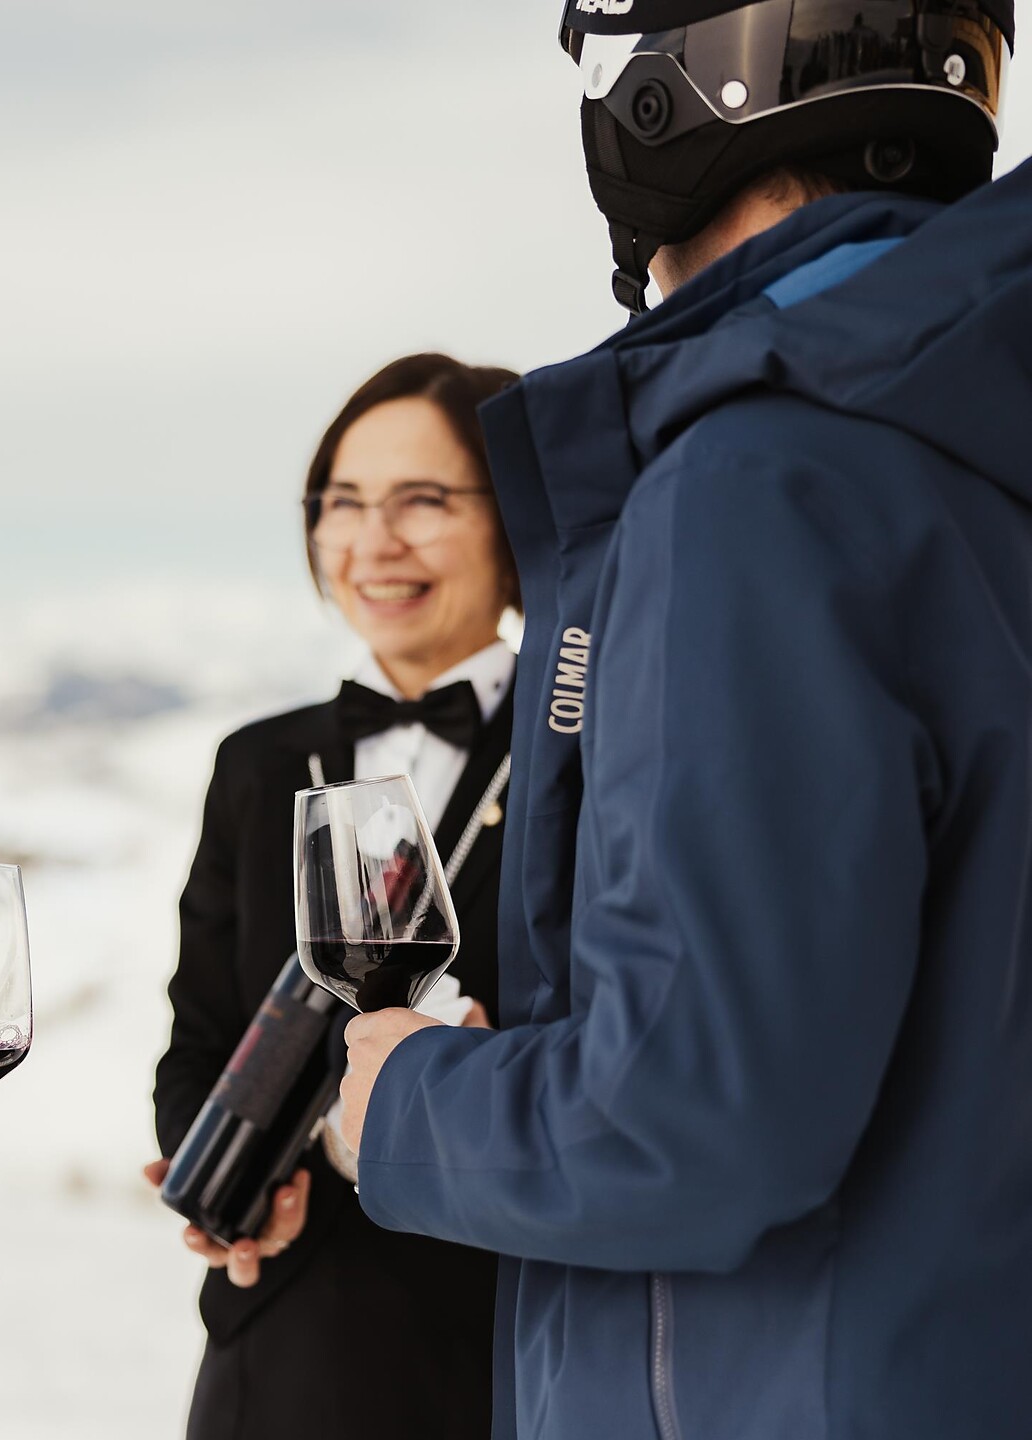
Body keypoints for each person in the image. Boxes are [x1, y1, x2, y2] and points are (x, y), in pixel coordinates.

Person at [335, 3, 1031, 1438]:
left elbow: (694, 1118)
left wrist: (401, 1104)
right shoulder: (965, 434)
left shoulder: (763, 483)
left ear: (667, 102)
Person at [150, 353, 521, 1440]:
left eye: (425, 502)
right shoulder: (261, 766)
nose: (374, 542)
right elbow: (200, 1034)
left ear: (515, 521)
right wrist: (226, 1176)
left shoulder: (585, 756)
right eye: (344, 503)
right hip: (296, 1342)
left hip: (509, 1329)